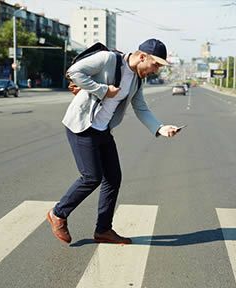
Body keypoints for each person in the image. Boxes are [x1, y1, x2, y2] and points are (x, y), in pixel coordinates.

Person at [46, 38, 181, 245]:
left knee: (113, 178)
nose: (156, 71)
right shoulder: (108, 59)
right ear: (142, 56)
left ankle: (103, 230)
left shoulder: (137, 80)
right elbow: (75, 72)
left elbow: (141, 107)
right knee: (92, 177)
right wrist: (102, 90)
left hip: (103, 130)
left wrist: (161, 128)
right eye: (155, 65)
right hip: (82, 125)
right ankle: (58, 213)